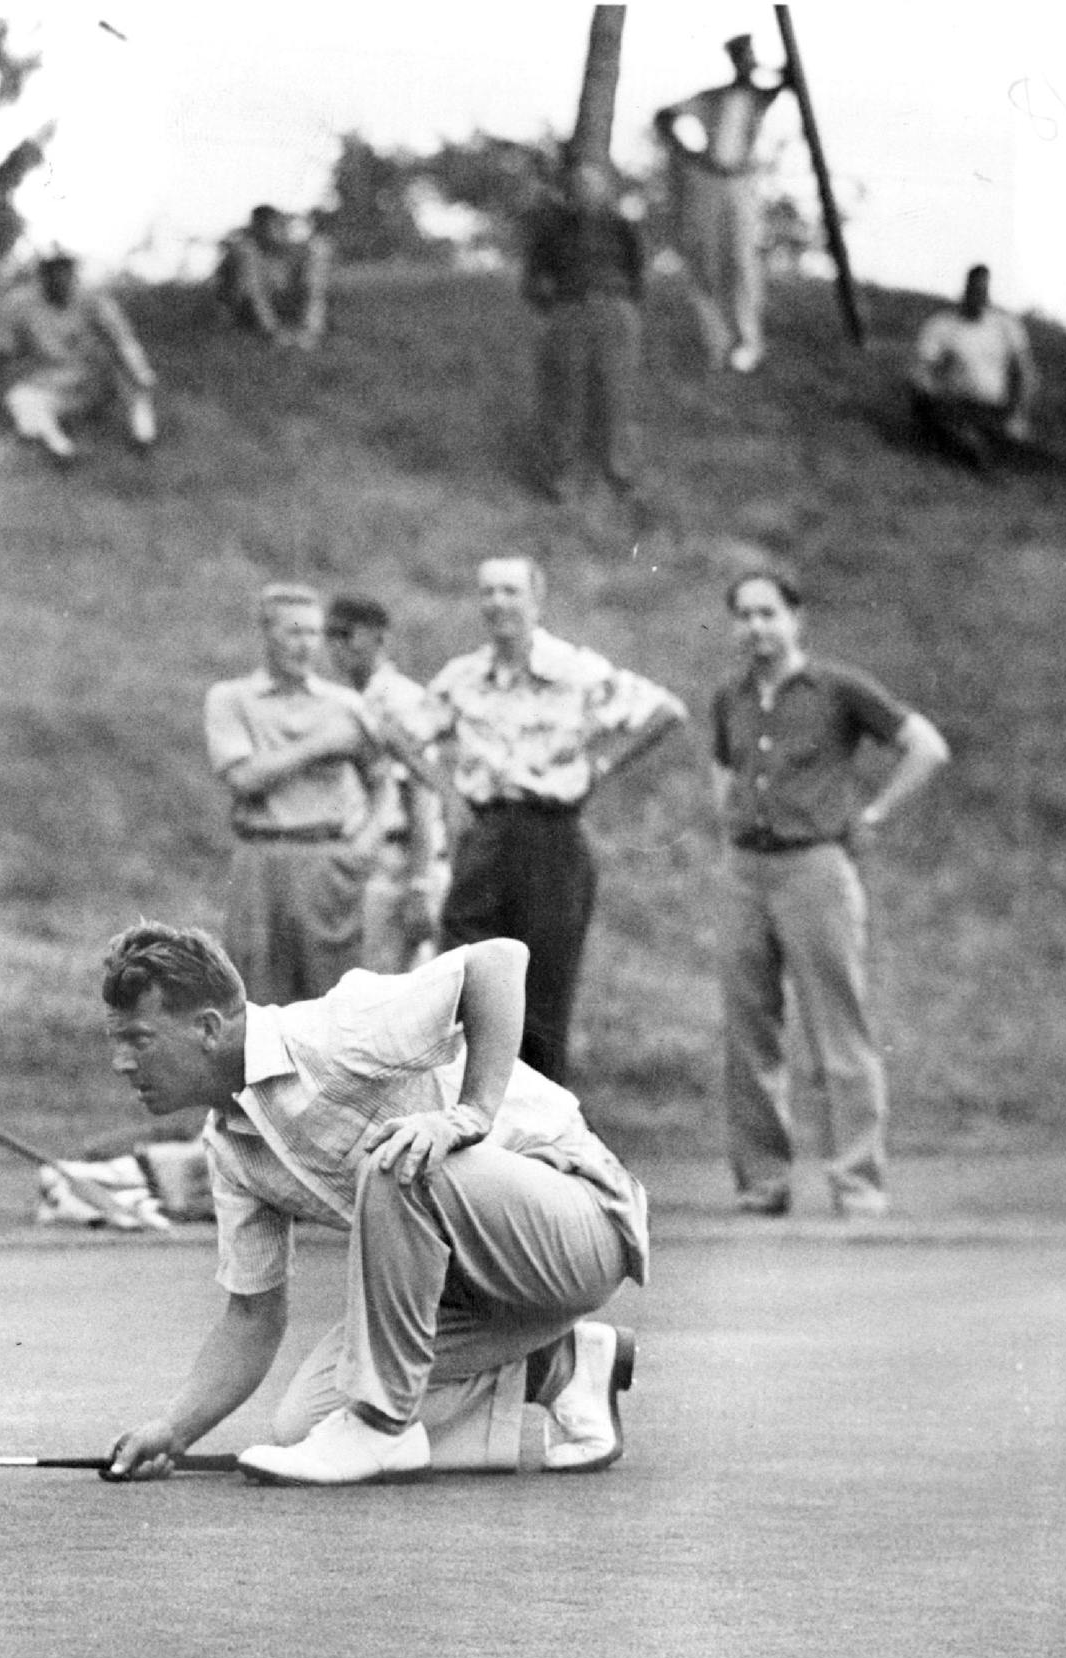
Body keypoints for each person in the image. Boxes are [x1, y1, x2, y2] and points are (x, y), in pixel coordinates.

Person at [100, 923, 648, 1486]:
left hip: (582, 1226)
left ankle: (382, 1428)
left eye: (139, 1040)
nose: (121, 1062)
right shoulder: (233, 1152)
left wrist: (472, 1114)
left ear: (209, 1028)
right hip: (477, 1290)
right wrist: (175, 1429)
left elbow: (499, 961)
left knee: (393, 1158)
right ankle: (561, 1366)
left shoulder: (335, 1031)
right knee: (303, 1424)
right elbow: (252, 1316)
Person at [711, 570, 950, 1218]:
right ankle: (762, 1184)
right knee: (748, 1030)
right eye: (744, 614)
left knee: (838, 1027)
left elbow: (925, 746)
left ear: (796, 618)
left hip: (813, 868)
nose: (756, 626)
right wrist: (729, 828)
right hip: (744, 870)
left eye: (768, 612)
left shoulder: (837, 688)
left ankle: (857, 1184)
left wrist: (871, 816)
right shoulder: (730, 694)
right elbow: (723, 769)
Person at [417, 557, 688, 1083]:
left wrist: (601, 765)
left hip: (551, 838)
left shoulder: (575, 668)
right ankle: (467, 1122)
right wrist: (445, 792)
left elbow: (664, 711)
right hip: (485, 835)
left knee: (542, 994)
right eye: (488, 592)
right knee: (462, 983)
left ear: (536, 600)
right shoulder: (463, 676)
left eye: (510, 592)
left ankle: (541, 1138)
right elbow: (402, 728)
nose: (498, 603)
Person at [205, 583, 379, 1005]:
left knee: (333, 996)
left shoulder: (344, 704)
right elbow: (244, 778)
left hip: (326, 860)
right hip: (260, 858)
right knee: (255, 995)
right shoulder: (231, 699)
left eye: (314, 634)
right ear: (266, 634)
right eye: (293, 633)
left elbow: (383, 779)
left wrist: (367, 840)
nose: (305, 646)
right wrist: (320, 746)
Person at [324, 594, 448, 973]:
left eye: (348, 635)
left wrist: (419, 884)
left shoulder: (402, 700)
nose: (338, 647)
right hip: (358, 863)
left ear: (379, 639)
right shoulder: (345, 701)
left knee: (394, 991)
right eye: (330, 636)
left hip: (401, 861)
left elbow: (422, 793)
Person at [653, 34, 787, 373]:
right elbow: (664, 116)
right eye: (741, 57)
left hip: (742, 181)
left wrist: (768, 69)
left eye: (750, 57)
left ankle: (747, 342)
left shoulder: (758, 97)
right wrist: (687, 153)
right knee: (706, 256)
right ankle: (716, 340)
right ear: (733, 60)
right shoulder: (712, 97)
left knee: (742, 257)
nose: (746, 63)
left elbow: (788, 79)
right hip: (709, 179)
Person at [522, 158, 646, 500]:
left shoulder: (621, 227)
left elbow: (637, 273)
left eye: (592, 185)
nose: (585, 191)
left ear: (605, 190)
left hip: (615, 310)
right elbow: (532, 278)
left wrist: (621, 306)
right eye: (578, 185)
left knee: (617, 394)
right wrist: (555, 307)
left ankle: (620, 477)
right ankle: (558, 478)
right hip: (569, 311)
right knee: (566, 395)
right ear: (569, 192)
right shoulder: (552, 229)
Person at [0, 250, 158, 461]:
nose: (59, 278)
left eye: (65, 270)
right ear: (42, 274)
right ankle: (60, 448)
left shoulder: (94, 299)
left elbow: (123, 341)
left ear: (73, 273)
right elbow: (5, 353)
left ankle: (143, 437)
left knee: (132, 374)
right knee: (20, 399)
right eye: (52, 271)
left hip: (95, 378)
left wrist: (140, 373)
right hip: (52, 381)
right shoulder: (20, 303)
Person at [909, 265, 1041, 470]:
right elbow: (923, 370)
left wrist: (1019, 416)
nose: (979, 297)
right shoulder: (942, 325)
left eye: (983, 292)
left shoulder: (1007, 326)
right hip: (954, 405)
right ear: (965, 290)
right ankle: (971, 450)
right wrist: (929, 389)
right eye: (974, 291)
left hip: (993, 409)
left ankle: (986, 448)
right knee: (944, 419)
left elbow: (1025, 373)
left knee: (1027, 451)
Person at [214, 205, 334, 349]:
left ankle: (309, 329)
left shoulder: (298, 250)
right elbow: (254, 293)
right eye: (274, 225)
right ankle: (281, 332)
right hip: (248, 312)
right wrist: (273, 331)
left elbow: (314, 288)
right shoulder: (247, 250)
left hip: (281, 308)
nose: (282, 230)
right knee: (251, 269)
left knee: (319, 252)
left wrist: (311, 329)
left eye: (281, 225)